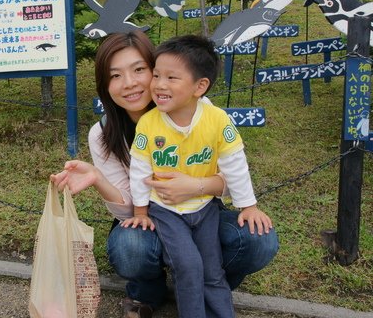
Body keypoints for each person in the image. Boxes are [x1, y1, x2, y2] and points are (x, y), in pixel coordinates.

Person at [50, 30, 278, 318]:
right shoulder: (103, 133)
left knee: (259, 239)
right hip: (154, 217)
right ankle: (149, 293)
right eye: (115, 75)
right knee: (130, 245)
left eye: (139, 70)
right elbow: (129, 214)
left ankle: (208, 288)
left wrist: (195, 186)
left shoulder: (199, 110)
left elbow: (230, 175)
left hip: (202, 209)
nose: (129, 83)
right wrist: (98, 178)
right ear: (104, 84)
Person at [123, 34, 259, 318]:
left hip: (205, 208)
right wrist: (141, 210)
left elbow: (235, 163)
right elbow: (139, 170)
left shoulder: (217, 120)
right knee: (188, 265)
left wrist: (249, 206)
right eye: (157, 75)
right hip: (165, 210)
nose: (159, 84)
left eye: (172, 78)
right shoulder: (149, 123)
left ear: (200, 86)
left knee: (211, 269)